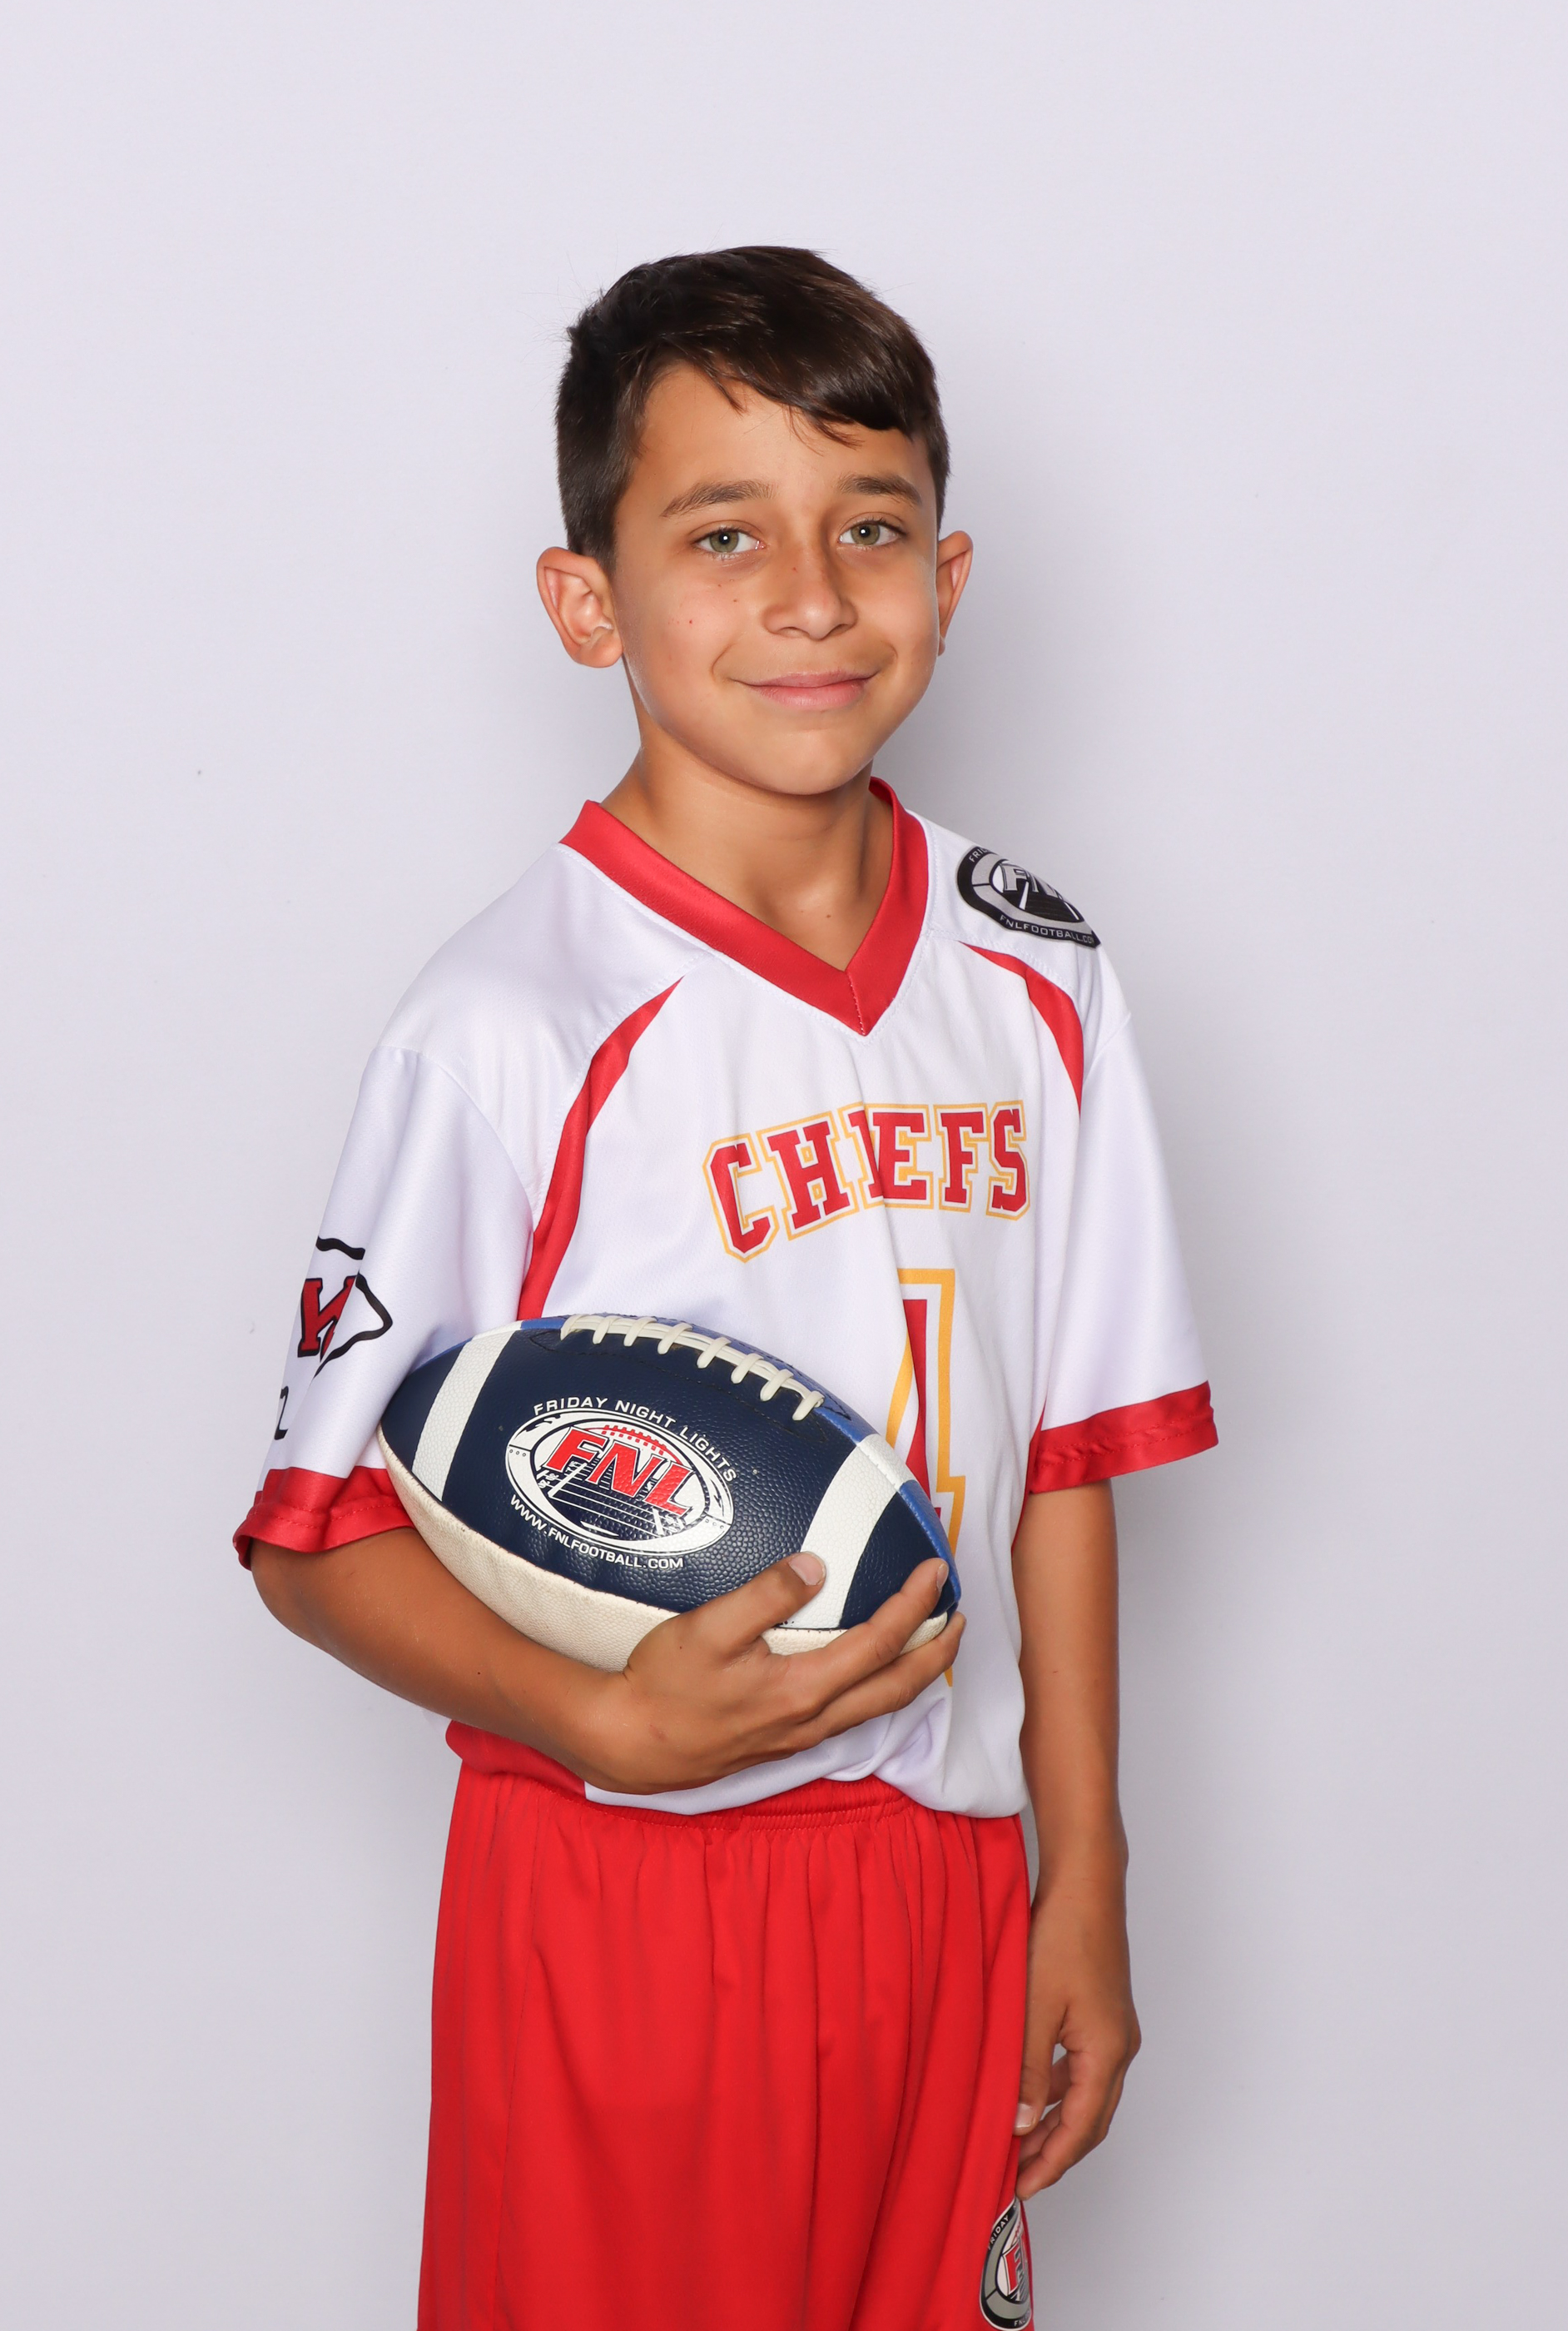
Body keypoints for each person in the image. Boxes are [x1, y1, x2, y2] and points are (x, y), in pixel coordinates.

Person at [240, 246, 1216, 2331]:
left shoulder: (1036, 974)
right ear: (585, 598)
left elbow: (1061, 1458)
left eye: (868, 528)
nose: (809, 596)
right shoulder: (509, 1019)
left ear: (947, 574)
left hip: (947, 1878)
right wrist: (609, 1714)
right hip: (622, 1877)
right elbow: (313, 1539)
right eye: (719, 534)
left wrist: (1087, 1875)